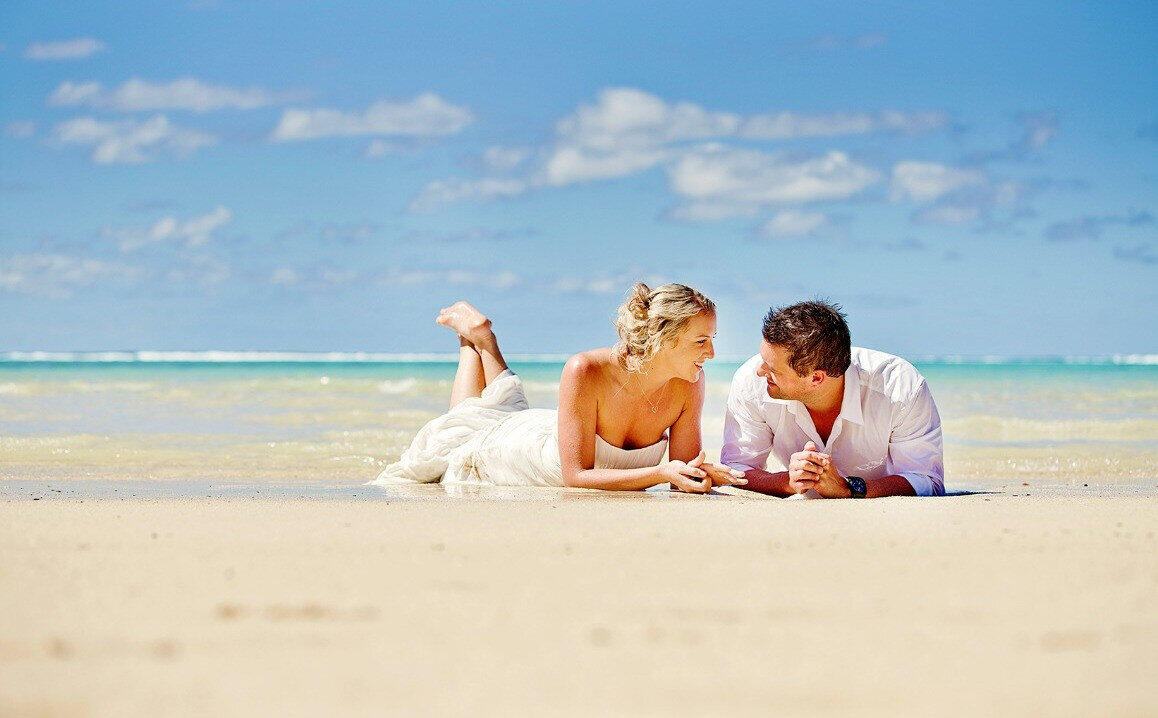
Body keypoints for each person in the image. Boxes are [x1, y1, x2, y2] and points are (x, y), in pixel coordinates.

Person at [370, 283, 746, 492]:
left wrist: (701, 475)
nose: (712, 353)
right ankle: (472, 343)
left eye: (712, 340)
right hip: (519, 456)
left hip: (546, 433)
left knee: (496, 411)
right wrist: (660, 474)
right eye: (701, 341)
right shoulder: (586, 369)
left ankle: (482, 340)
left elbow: (683, 475)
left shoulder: (689, 383)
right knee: (464, 435)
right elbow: (575, 477)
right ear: (663, 339)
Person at [721, 300, 944, 498]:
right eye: (763, 359)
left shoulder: (900, 387)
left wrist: (848, 488)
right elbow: (736, 467)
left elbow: (926, 480)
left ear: (816, 378)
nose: (760, 371)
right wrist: (787, 482)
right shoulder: (751, 382)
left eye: (772, 369)